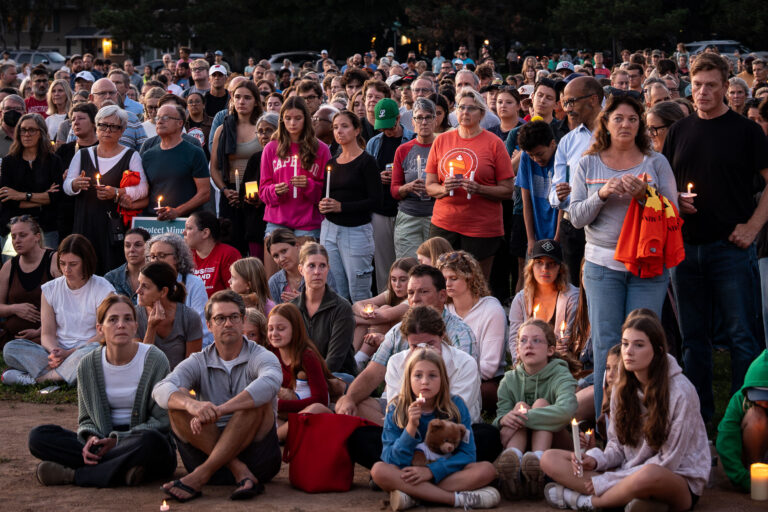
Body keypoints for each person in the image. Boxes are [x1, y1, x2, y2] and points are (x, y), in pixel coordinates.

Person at [662, 53, 768, 423]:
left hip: (731, 249)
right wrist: (676, 201)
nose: (703, 92)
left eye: (711, 85)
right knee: (693, 340)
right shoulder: (679, 131)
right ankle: (699, 419)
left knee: (742, 338)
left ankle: (744, 420)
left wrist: (753, 227)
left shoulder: (746, 131)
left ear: (726, 86)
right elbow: (663, 186)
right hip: (685, 249)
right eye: (697, 85)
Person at [569, 95, 678, 416]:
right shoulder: (588, 163)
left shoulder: (655, 162)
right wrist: (602, 194)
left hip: (647, 265)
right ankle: (610, 419)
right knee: (607, 343)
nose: (626, 124)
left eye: (633, 119)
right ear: (606, 122)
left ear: (641, 124)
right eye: (619, 118)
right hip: (603, 266)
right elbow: (575, 217)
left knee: (642, 339)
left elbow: (672, 213)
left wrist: (646, 196)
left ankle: (647, 416)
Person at [540, 313, 709, 512]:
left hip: (676, 479)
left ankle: (590, 502)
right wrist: (595, 461)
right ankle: (634, 502)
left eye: (639, 345)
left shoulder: (681, 391)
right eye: (625, 344)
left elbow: (669, 462)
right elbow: (617, 446)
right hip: (625, 472)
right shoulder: (621, 387)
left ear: (658, 351)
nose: (628, 352)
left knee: (649, 475)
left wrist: (608, 481)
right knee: (549, 459)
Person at [27, 294, 176, 487]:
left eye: (127, 319)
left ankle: (74, 475)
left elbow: (162, 421)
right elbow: (86, 419)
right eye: (113, 320)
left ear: (135, 326)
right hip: (103, 442)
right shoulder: (88, 365)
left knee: (151, 442)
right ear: (100, 329)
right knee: (39, 437)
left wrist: (117, 440)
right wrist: (91, 437)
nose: (121, 325)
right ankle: (123, 471)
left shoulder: (155, 360)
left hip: (140, 441)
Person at [152, 290, 282, 503]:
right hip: (208, 455)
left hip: (257, 461)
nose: (228, 324)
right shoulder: (199, 360)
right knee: (177, 404)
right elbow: (161, 388)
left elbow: (271, 382)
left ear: (243, 321)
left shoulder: (260, 355)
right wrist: (192, 405)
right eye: (220, 318)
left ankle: (201, 475)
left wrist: (221, 410)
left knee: (257, 402)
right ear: (209, 325)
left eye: (233, 317)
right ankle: (236, 468)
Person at [369, 325, 499, 511]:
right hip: (409, 472)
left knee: (486, 470)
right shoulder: (397, 408)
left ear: (442, 379)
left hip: (445, 472)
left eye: (432, 376)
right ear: (408, 379)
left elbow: (467, 454)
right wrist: (410, 429)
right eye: (418, 376)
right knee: (379, 471)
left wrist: (430, 471)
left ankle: (414, 496)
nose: (425, 382)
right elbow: (391, 459)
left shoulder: (455, 406)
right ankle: (455, 500)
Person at [425, 87, 514, 279]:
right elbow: (430, 185)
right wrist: (443, 188)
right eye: (461, 107)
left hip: (481, 227)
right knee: (440, 280)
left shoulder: (494, 143)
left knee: (476, 283)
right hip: (444, 223)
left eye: (471, 108)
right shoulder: (442, 140)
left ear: (481, 113)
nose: (465, 112)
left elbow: (508, 190)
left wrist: (480, 189)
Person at [1, 234, 114, 385]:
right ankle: (65, 375)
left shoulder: (103, 288)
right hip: (57, 352)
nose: (66, 269)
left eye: (73, 264)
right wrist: (54, 352)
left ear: (86, 262)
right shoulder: (50, 289)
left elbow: (103, 335)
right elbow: (47, 333)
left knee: (92, 354)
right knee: (11, 349)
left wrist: (70, 353)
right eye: (62, 263)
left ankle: (41, 379)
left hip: (85, 349)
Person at [493, 319, 578, 499]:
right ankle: (513, 464)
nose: (529, 345)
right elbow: (500, 418)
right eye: (523, 340)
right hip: (519, 441)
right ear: (517, 350)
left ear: (550, 350)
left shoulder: (561, 374)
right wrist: (503, 420)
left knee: (540, 403)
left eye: (536, 340)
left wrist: (520, 418)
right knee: (519, 406)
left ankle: (537, 465)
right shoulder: (509, 380)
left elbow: (566, 410)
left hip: (556, 448)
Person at [63, 105, 149, 274]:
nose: (107, 130)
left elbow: (143, 188)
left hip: (113, 227)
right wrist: (75, 184)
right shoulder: (83, 154)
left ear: (122, 130)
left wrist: (117, 192)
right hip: (85, 222)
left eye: (114, 127)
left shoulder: (131, 155)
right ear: (96, 127)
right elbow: (67, 185)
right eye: (103, 125)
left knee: (111, 269)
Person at [259, 96, 330, 273]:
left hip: (306, 221)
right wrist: (274, 190)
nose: (292, 123)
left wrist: (309, 185)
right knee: (273, 277)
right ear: (282, 119)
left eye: (298, 118)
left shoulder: (321, 149)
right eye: (288, 118)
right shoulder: (271, 148)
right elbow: (263, 190)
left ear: (306, 119)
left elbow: (325, 193)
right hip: (277, 218)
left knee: (303, 276)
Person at [319, 110, 380, 302]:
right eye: (336, 127)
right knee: (335, 290)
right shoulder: (332, 162)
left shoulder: (367, 162)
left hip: (356, 231)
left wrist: (342, 207)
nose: (339, 131)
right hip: (329, 230)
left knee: (359, 293)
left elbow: (376, 200)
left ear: (357, 130)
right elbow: (325, 195)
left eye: (345, 126)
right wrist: (323, 205)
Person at [548, 77, 604, 285]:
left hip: (607, 226)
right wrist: (559, 195)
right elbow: (554, 189)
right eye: (565, 103)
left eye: (572, 102)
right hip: (573, 226)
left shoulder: (618, 133)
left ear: (593, 99)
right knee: (575, 290)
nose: (568, 109)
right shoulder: (568, 141)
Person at [437, 250, 506, 413]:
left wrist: (456, 380)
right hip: (444, 376)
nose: (447, 284)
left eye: (454, 278)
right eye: (444, 279)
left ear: (470, 277)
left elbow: (489, 367)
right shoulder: (443, 310)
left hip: (484, 380)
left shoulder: (491, 309)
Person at [210, 80, 263, 253]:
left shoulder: (263, 128)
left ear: (255, 101)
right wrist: (225, 190)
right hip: (230, 192)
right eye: (238, 97)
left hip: (257, 191)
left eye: (247, 98)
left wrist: (258, 194)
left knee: (256, 245)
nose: (242, 101)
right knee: (231, 246)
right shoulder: (222, 129)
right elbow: (215, 168)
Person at [267, 302, 334, 441]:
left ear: (295, 329)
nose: (274, 334)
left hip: (306, 412)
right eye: (270, 328)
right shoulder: (269, 352)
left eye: (281, 328)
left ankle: (274, 440)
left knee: (313, 410)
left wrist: (278, 404)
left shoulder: (306, 356)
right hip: (283, 414)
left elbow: (320, 400)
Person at [291, 242, 357, 377]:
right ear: (300, 269)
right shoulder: (292, 309)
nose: (317, 272)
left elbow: (335, 360)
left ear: (328, 268)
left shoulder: (342, 307)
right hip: (301, 376)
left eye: (322, 266)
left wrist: (309, 380)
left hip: (338, 375)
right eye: (311, 266)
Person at [0, 113, 63, 250]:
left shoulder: (53, 161)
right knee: (12, 269)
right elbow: (8, 200)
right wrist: (42, 198)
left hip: (46, 227)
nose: (27, 134)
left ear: (41, 133)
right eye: (23, 130)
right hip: (13, 227)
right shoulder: (9, 162)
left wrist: (21, 195)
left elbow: (55, 197)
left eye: (31, 130)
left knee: (47, 268)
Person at [508, 239, 578, 360]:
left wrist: (562, 348)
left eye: (551, 263)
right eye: (539, 262)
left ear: (560, 269)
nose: (545, 268)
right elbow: (515, 339)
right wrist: (520, 368)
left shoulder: (572, 298)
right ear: (531, 266)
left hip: (561, 364)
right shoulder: (521, 299)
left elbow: (571, 339)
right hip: (528, 364)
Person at [0, 217, 59, 347]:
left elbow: (67, 304)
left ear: (37, 237)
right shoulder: (9, 266)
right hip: (14, 336)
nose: (17, 241)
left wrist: (40, 331)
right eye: (13, 237)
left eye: (23, 235)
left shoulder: (53, 260)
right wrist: (14, 308)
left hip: (48, 334)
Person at [145, 233, 212, 347]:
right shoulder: (145, 285)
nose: (156, 261)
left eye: (161, 255)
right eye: (152, 256)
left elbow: (202, 330)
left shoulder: (194, 283)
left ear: (177, 258)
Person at [391, 97, 437, 260]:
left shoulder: (442, 146)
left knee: (436, 265)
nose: (423, 122)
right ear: (413, 122)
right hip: (409, 215)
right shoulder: (403, 150)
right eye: (419, 117)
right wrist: (408, 187)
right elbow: (395, 190)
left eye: (428, 117)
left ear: (435, 120)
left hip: (436, 215)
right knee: (408, 265)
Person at [717, 349, 768, 493]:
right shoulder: (740, 399)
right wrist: (743, 479)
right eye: (759, 396)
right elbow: (726, 438)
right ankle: (755, 472)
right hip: (747, 457)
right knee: (756, 417)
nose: (763, 402)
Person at [136, 262, 203, 370]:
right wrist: (151, 327)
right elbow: (140, 367)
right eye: (139, 284)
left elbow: (192, 369)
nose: (138, 291)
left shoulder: (189, 317)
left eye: (145, 286)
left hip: (179, 383)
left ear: (163, 291)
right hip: (146, 383)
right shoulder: (134, 316)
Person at [352, 257, 416, 365]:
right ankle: (352, 359)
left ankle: (361, 359)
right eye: (393, 279)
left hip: (400, 344)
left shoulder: (412, 300)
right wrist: (363, 311)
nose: (397, 285)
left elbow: (384, 316)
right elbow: (356, 305)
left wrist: (357, 319)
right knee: (371, 311)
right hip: (380, 339)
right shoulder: (391, 293)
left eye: (403, 279)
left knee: (383, 309)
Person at [239, 113, 278, 259]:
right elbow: (245, 189)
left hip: (278, 220)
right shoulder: (255, 158)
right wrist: (250, 198)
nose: (264, 135)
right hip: (256, 223)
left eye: (269, 130)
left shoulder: (285, 157)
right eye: (260, 131)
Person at [516, 120, 559, 245]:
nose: (536, 159)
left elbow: (564, 204)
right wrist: (530, 239)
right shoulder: (525, 157)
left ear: (552, 144)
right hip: (536, 233)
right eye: (531, 155)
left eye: (540, 154)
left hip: (558, 233)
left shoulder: (562, 155)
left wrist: (557, 239)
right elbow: (526, 201)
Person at [183, 210, 241, 297]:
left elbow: (235, 294)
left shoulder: (228, 254)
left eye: (189, 228)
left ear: (205, 233)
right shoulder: (186, 255)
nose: (183, 232)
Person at [104, 228, 150, 303]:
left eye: (138, 245)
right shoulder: (110, 278)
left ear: (148, 247)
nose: (131, 249)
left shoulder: (156, 276)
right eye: (127, 245)